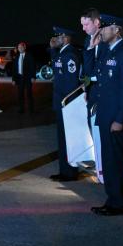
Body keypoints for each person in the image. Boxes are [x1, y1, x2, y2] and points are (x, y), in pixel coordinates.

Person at [91, 15, 123, 216]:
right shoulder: (107, 51)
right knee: (108, 160)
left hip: (115, 119)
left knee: (116, 162)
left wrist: (120, 120)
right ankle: (113, 200)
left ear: (117, 30)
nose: (101, 31)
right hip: (105, 116)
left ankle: (119, 204)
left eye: (105, 27)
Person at [49, 27, 81, 182]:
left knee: (68, 139)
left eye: (59, 36)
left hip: (66, 104)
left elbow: (71, 83)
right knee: (62, 139)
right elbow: (56, 68)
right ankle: (65, 170)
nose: (57, 39)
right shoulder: (63, 53)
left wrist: (68, 103)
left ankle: (69, 172)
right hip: (62, 103)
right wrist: (52, 49)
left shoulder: (70, 55)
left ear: (66, 38)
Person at [80, 8, 108, 181]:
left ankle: (106, 172)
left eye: (86, 24)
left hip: (104, 92)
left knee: (104, 134)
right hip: (92, 92)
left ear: (97, 22)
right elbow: (87, 68)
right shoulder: (88, 40)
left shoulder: (107, 39)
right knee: (94, 130)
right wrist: (86, 86)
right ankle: (100, 169)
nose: (83, 28)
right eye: (82, 25)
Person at [11, 41, 36, 113]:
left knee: (29, 94)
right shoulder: (17, 57)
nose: (20, 48)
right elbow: (14, 69)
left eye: (21, 47)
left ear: (24, 47)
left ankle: (31, 110)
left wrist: (33, 77)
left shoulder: (29, 56)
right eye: (18, 47)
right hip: (19, 78)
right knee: (20, 94)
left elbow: (32, 67)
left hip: (28, 78)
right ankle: (21, 109)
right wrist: (13, 79)